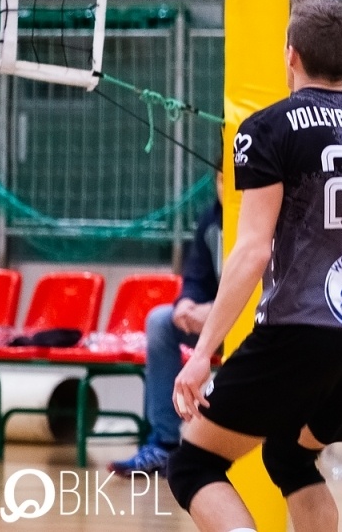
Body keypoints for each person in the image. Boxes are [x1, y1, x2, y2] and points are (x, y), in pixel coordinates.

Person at [164, 0, 342, 532]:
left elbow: (253, 250)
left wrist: (203, 354)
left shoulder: (268, 127)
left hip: (296, 333)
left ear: (291, 54)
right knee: (289, 457)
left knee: (193, 465)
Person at [110, 176, 223, 475]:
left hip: (257, 322)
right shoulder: (211, 219)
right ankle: (165, 442)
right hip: (215, 324)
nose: (225, 187)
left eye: (231, 179)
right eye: (220, 180)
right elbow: (196, 276)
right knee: (160, 320)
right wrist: (186, 303)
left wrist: (216, 311)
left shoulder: (266, 213)